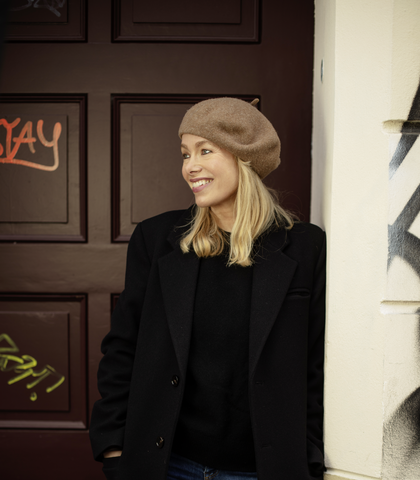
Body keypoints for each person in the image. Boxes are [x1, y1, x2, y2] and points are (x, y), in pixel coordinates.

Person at [89, 97, 326, 480]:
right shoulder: (156, 239)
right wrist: (113, 447)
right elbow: (123, 348)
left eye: (205, 150)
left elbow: (314, 364)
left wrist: (309, 459)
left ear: (245, 157)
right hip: (167, 465)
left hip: (259, 470)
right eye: (185, 154)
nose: (190, 166)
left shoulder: (304, 247)